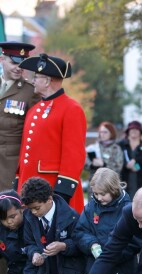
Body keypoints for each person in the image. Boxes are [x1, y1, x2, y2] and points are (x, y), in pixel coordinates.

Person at [14, 53, 87, 214]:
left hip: (52, 188)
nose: (33, 80)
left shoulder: (71, 109)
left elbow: (74, 154)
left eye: (37, 77)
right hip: (28, 187)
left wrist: (63, 192)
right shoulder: (34, 110)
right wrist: (18, 181)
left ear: (47, 81)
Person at [0, 41, 39, 274]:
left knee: (7, 228)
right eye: (14, 63)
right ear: (2, 59)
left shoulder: (29, 93)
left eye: (23, 65)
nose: (18, 69)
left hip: (8, 169)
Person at [74, 168, 139, 274]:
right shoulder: (90, 208)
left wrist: (112, 255)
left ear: (113, 189)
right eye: (96, 194)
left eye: (103, 194)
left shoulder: (129, 208)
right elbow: (80, 232)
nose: (99, 198)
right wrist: (92, 244)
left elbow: (135, 241)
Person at [18, 177, 85, 274]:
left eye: (37, 208)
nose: (33, 212)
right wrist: (34, 253)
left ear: (49, 199)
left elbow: (81, 244)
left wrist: (64, 246)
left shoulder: (71, 216)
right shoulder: (28, 217)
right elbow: (29, 244)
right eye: (30, 208)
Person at [0, 190, 37, 274]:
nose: (9, 222)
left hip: (38, 273)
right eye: (3, 219)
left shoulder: (33, 223)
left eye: (12, 216)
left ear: (22, 209)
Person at [85, 121, 123, 201]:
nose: (102, 134)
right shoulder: (93, 147)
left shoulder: (116, 149)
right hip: (94, 186)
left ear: (111, 133)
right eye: (101, 132)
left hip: (109, 187)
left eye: (105, 132)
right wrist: (92, 164)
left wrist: (103, 164)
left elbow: (118, 167)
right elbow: (84, 164)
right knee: (93, 211)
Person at [119, 121, 142, 198]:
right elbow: (117, 158)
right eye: (132, 129)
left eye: (136, 129)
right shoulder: (121, 145)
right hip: (124, 180)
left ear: (140, 132)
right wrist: (126, 165)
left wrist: (136, 161)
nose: (134, 131)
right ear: (128, 131)